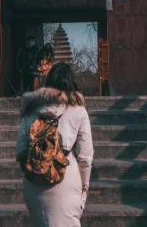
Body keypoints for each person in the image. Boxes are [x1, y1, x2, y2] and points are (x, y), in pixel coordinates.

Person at [16, 62, 94, 227]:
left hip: (33, 180)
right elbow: (85, 157)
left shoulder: (30, 110)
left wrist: (38, 163)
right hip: (65, 178)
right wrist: (84, 187)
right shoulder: (78, 111)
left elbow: (20, 150)